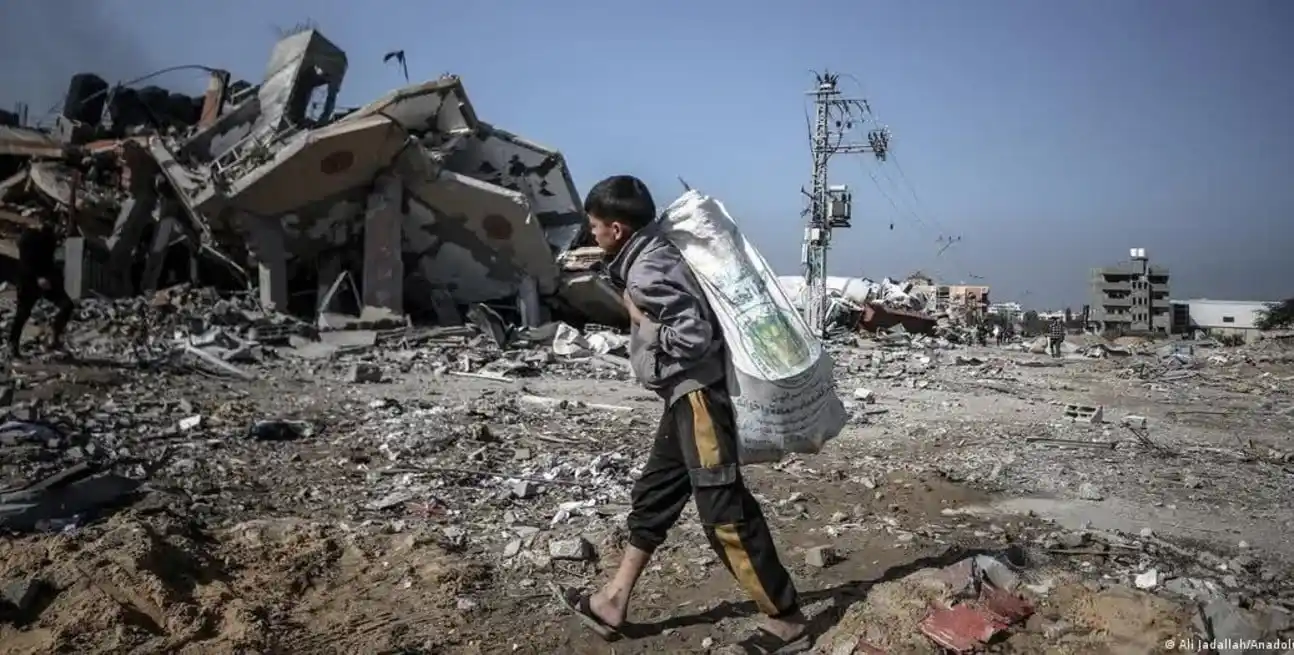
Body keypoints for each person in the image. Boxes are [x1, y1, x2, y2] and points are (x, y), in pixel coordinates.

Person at [554, 175, 808, 653]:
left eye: (594, 227)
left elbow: (692, 337)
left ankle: (787, 619)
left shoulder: (649, 269)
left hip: (699, 399)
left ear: (616, 228)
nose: (592, 235)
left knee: (723, 510)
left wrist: (646, 330)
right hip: (683, 399)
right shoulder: (645, 256)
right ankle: (612, 600)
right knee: (655, 494)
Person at [8, 221, 75, 358]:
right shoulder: (29, 238)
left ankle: (54, 338)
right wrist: (38, 277)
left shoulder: (50, 239)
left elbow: (49, 261)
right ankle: (13, 344)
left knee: (67, 305)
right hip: (28, 280)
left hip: (47, 280)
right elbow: (26, 262)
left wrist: (54, 278)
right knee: (23, 312)